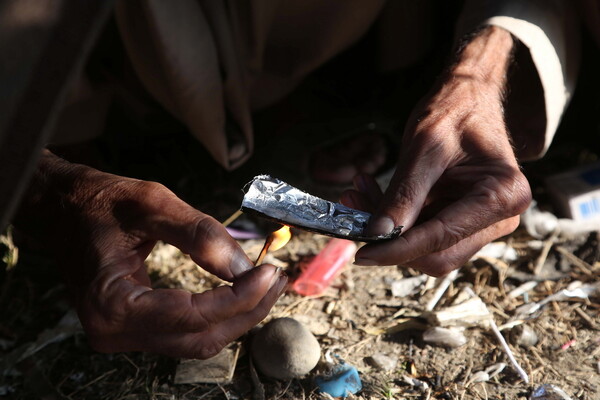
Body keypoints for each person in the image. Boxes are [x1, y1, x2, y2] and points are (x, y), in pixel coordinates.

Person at [1, 0, 593, 359]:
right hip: (71, 114)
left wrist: (481, 69)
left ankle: (297, 105)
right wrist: (46, 185)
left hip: (349, 63)